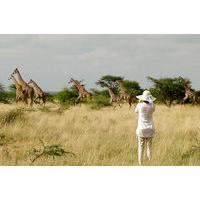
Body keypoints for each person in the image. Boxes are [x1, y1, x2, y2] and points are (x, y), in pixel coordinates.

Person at [135, 90, 156, 165]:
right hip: (150, 128)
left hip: (141, 129)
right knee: (149, 146)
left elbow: (136, 111)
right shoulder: (153, 106)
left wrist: (140, 101)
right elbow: (152, 106)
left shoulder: (139, 105)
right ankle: (150, 162)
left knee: (141, 147)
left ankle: (141, 164)